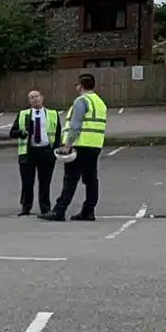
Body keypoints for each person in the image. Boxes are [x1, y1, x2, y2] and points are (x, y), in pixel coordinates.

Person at [44, 73, 107, 222]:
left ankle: (59, 210)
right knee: (91, 179)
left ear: (81, 85)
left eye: (76, 84)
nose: (76, 87)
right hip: (95, 144)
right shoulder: (99, 102)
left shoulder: (81, 101)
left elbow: (76, 125)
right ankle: (88, 210)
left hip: (80, 144)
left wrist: (68, 145)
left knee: (70, 178)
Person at [9, 89, 61, 217]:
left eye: (37, 96)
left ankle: (45, 207)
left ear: (42, 98)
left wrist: (55, 150)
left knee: (45, 182)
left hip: (46, 151)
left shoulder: (52, 114)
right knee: (27, 182)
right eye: (31, 97)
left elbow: (58, 133)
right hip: (28, 152)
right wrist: (21, 132)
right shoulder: (23, 114)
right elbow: (12, 132)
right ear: (29, 101)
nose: (35, 99)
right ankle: (26, 207)